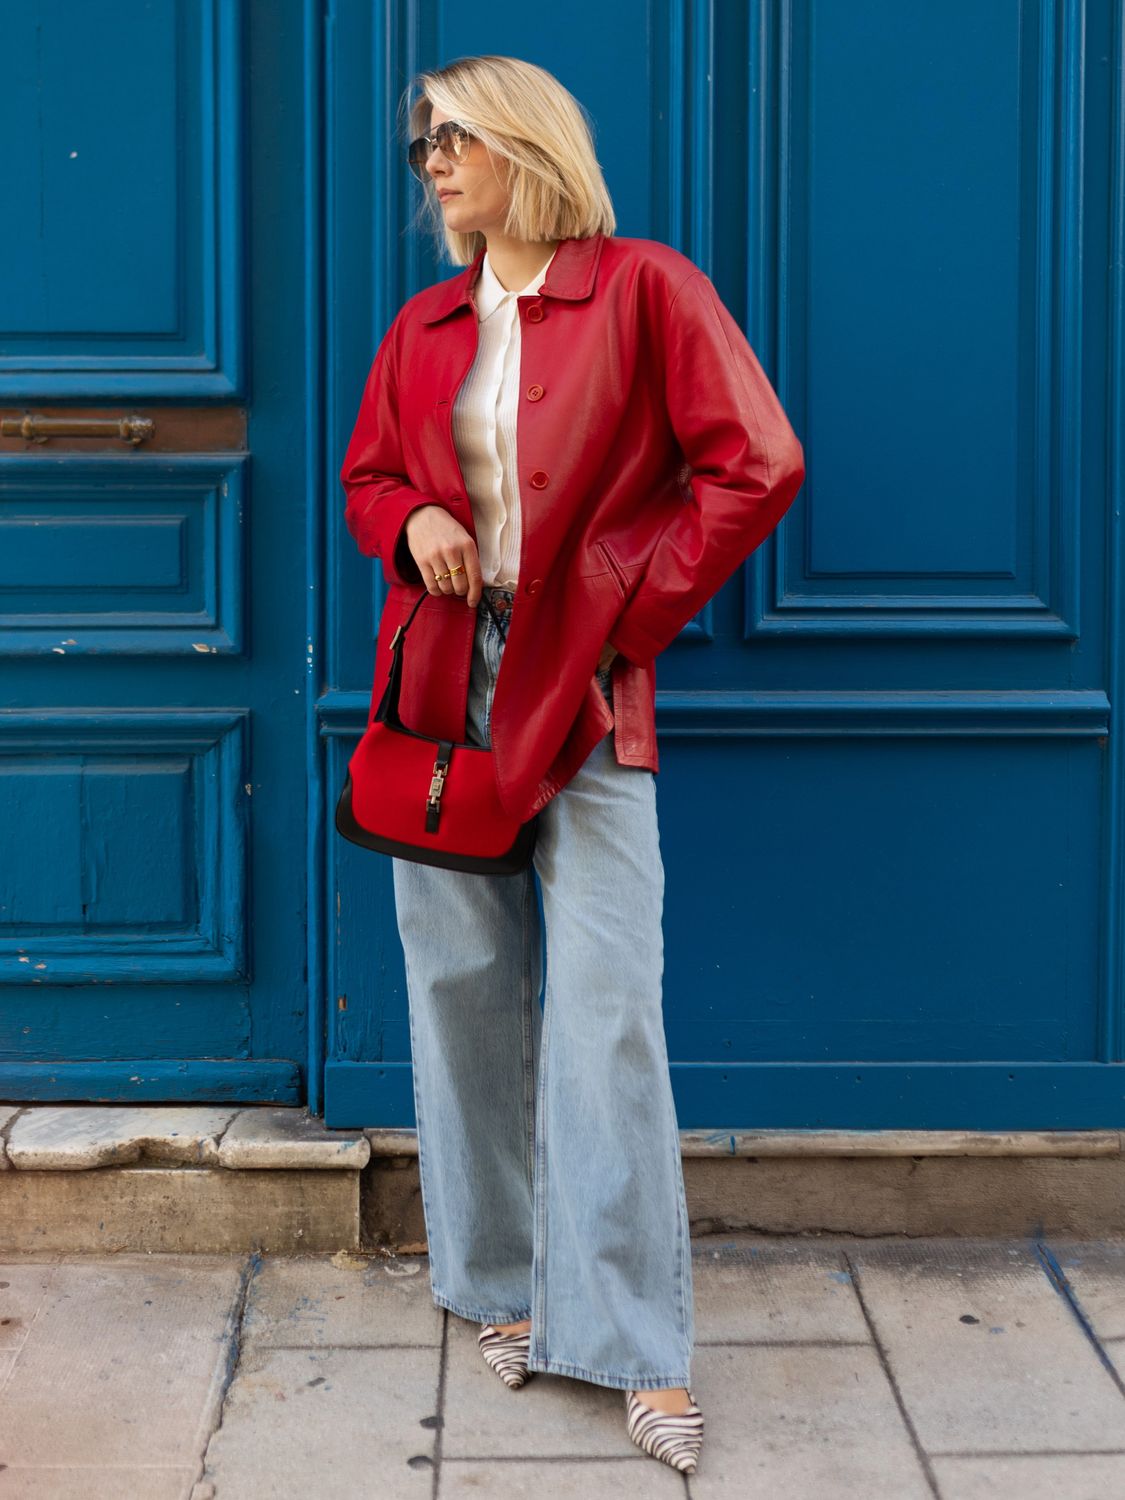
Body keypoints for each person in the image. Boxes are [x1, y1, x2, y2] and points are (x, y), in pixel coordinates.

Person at [340, 54, 805, 1477]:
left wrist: (624, 599)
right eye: (422, 142)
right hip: (443, 690)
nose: (429, 160)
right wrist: (413, 513)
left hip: (588, 689)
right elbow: (364, 478)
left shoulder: (646, 289)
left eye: (452, 136)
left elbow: (757, 463)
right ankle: (499, 1285)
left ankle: (634, 1345)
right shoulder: (425, 326)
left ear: (524, 146)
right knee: (462, 993)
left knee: (607, 1011)